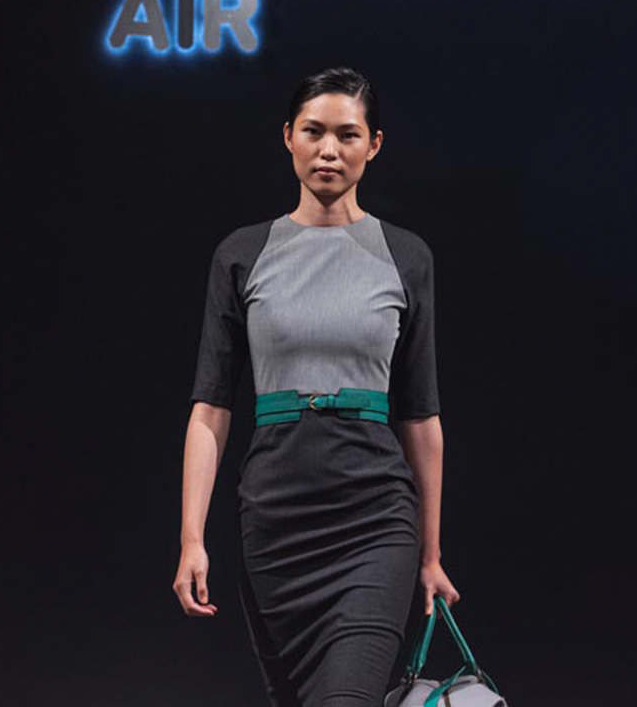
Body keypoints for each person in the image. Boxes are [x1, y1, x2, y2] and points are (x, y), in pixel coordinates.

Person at [172, 65, 460, 706]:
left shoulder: (406, 256)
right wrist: (192, 538)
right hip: (276, 524)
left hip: (374, 519)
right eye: (313, 132)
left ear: (374, 144)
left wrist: (430, 554)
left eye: (348, 135)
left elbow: (421, 416)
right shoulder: (242, 254)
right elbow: (210, 408)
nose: (329, 149)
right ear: (288, 137)